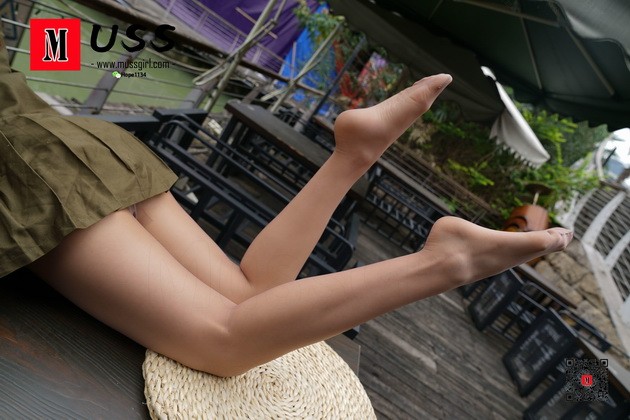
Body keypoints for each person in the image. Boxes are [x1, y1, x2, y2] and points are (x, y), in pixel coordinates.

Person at [0, 27, 572, 377]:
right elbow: (44, 51)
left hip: (29, 168)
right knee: (250, 295)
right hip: (71, 142)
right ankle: (352, 156)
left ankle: (445, 262)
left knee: (223, 338)